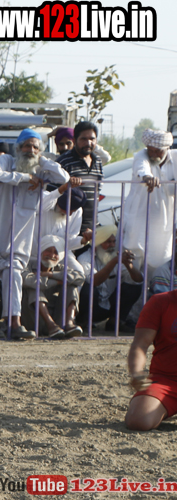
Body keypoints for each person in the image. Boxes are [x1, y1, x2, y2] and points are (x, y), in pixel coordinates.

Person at [0, 128, 69, 340]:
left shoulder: (41, 168)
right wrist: (25, 177)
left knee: (14, 274)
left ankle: (14, 322)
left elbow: (63, 177)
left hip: (18, 236)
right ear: (18, 148)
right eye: (27, 146)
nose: (30, 150)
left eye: (35, 147)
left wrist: (42, 160)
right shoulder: (6, 160)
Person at [120, 130, 176, 286]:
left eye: (158, 151)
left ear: (167, 148)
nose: (153, 154)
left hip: (163, 223)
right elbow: (141, 168)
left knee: (159, 263)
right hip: (138, 220)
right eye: (150, 150)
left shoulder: (175, 158)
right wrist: (148, 177)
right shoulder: (142, 155)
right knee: (132, 263)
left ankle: (154, 298)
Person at [125, 287, 177, 431]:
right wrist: (136, 372)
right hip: (165, 380)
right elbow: (140, 344)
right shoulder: (160, 302)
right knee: (139, 420)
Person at [22, 234, 88, 339]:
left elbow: (80, 278)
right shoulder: (28, 265)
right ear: (41, 251)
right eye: (48, 250)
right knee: (34, 288)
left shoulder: (60, 268)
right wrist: (57, 282)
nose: (52, 255)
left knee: (72, 285)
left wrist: (50, 274)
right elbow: (27, 280)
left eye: (56, 253)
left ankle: (69, 323)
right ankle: (50, 325)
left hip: (57, 320)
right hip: (32, 320)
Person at [80, 226, 143, 331]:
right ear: (97, 245)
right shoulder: (85, 258)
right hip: (91, 308)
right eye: (108, 242)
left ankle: (115, 322)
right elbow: (94, 281)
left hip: (108, 306)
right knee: (89, 289)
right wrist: (114, 261)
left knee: (134, 288)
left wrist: (129, 265)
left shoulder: (115, 256)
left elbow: (139, 280)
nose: (112, 245)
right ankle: (83, 322)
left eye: (114, 242)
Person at [57, 121, 103, 241]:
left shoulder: (97, 161)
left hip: (92, 228)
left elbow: (97, 193)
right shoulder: (64, 161)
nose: (88, 143)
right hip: (69, 230)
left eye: (92, 139)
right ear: (75, 140)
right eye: (83, 139)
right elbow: (53, 194)